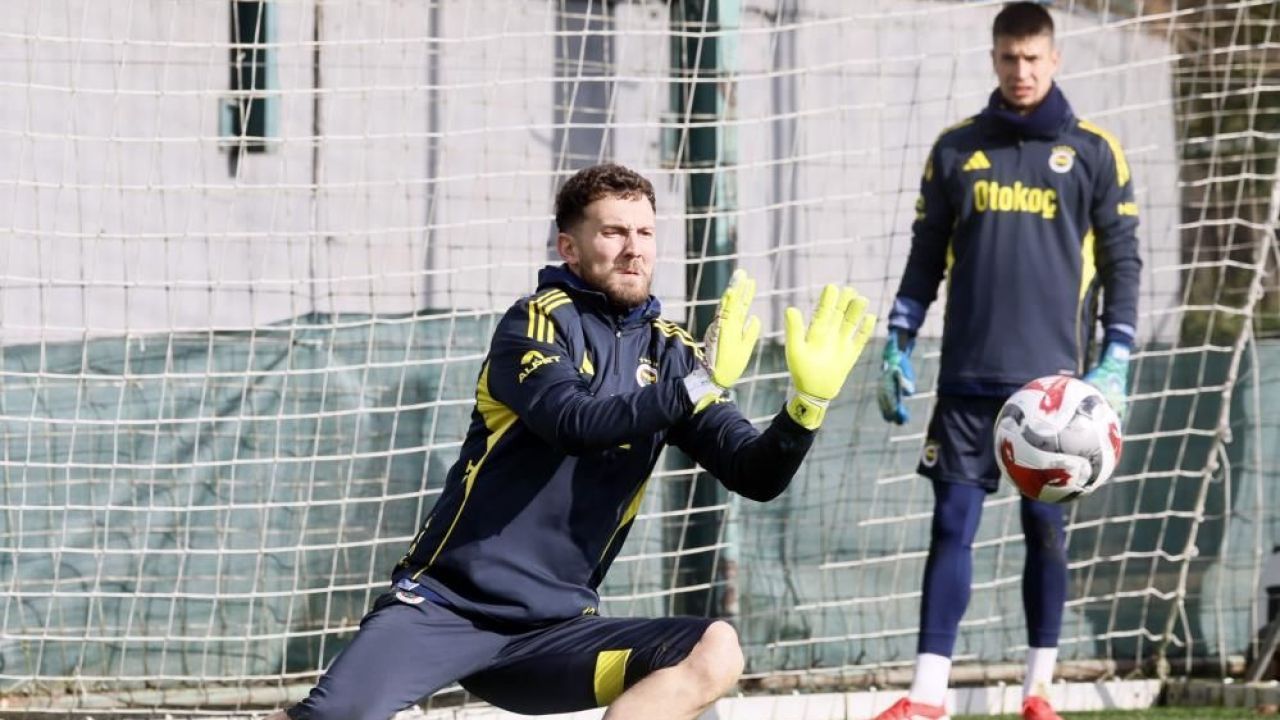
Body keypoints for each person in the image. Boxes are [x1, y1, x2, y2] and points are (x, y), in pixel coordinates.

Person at [269, 162, 876, 720]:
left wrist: (806, 407)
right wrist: (698, 384)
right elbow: (574, 422)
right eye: (614, 232)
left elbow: (755, 474)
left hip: (553, 634)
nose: (634, 248)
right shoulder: (536, 321)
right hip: (447, 608)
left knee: (715, 650)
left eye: (646, 232)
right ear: (570, 247)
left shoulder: (675, 355)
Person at [871, 4, 1141, 720]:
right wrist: (898, 337)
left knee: (1045, 535)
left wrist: (1117, 353)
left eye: (1032, 59)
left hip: (1057, 396)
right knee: (950, 528)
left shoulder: (1094, 152)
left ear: (1054, 60)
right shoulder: (956, 150)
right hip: (968, 379)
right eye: (1008, 59)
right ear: (994, 59)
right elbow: (926, 255)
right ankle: (927, 697)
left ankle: (1038, 691)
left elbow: (1123, 261)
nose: (1021, 72)